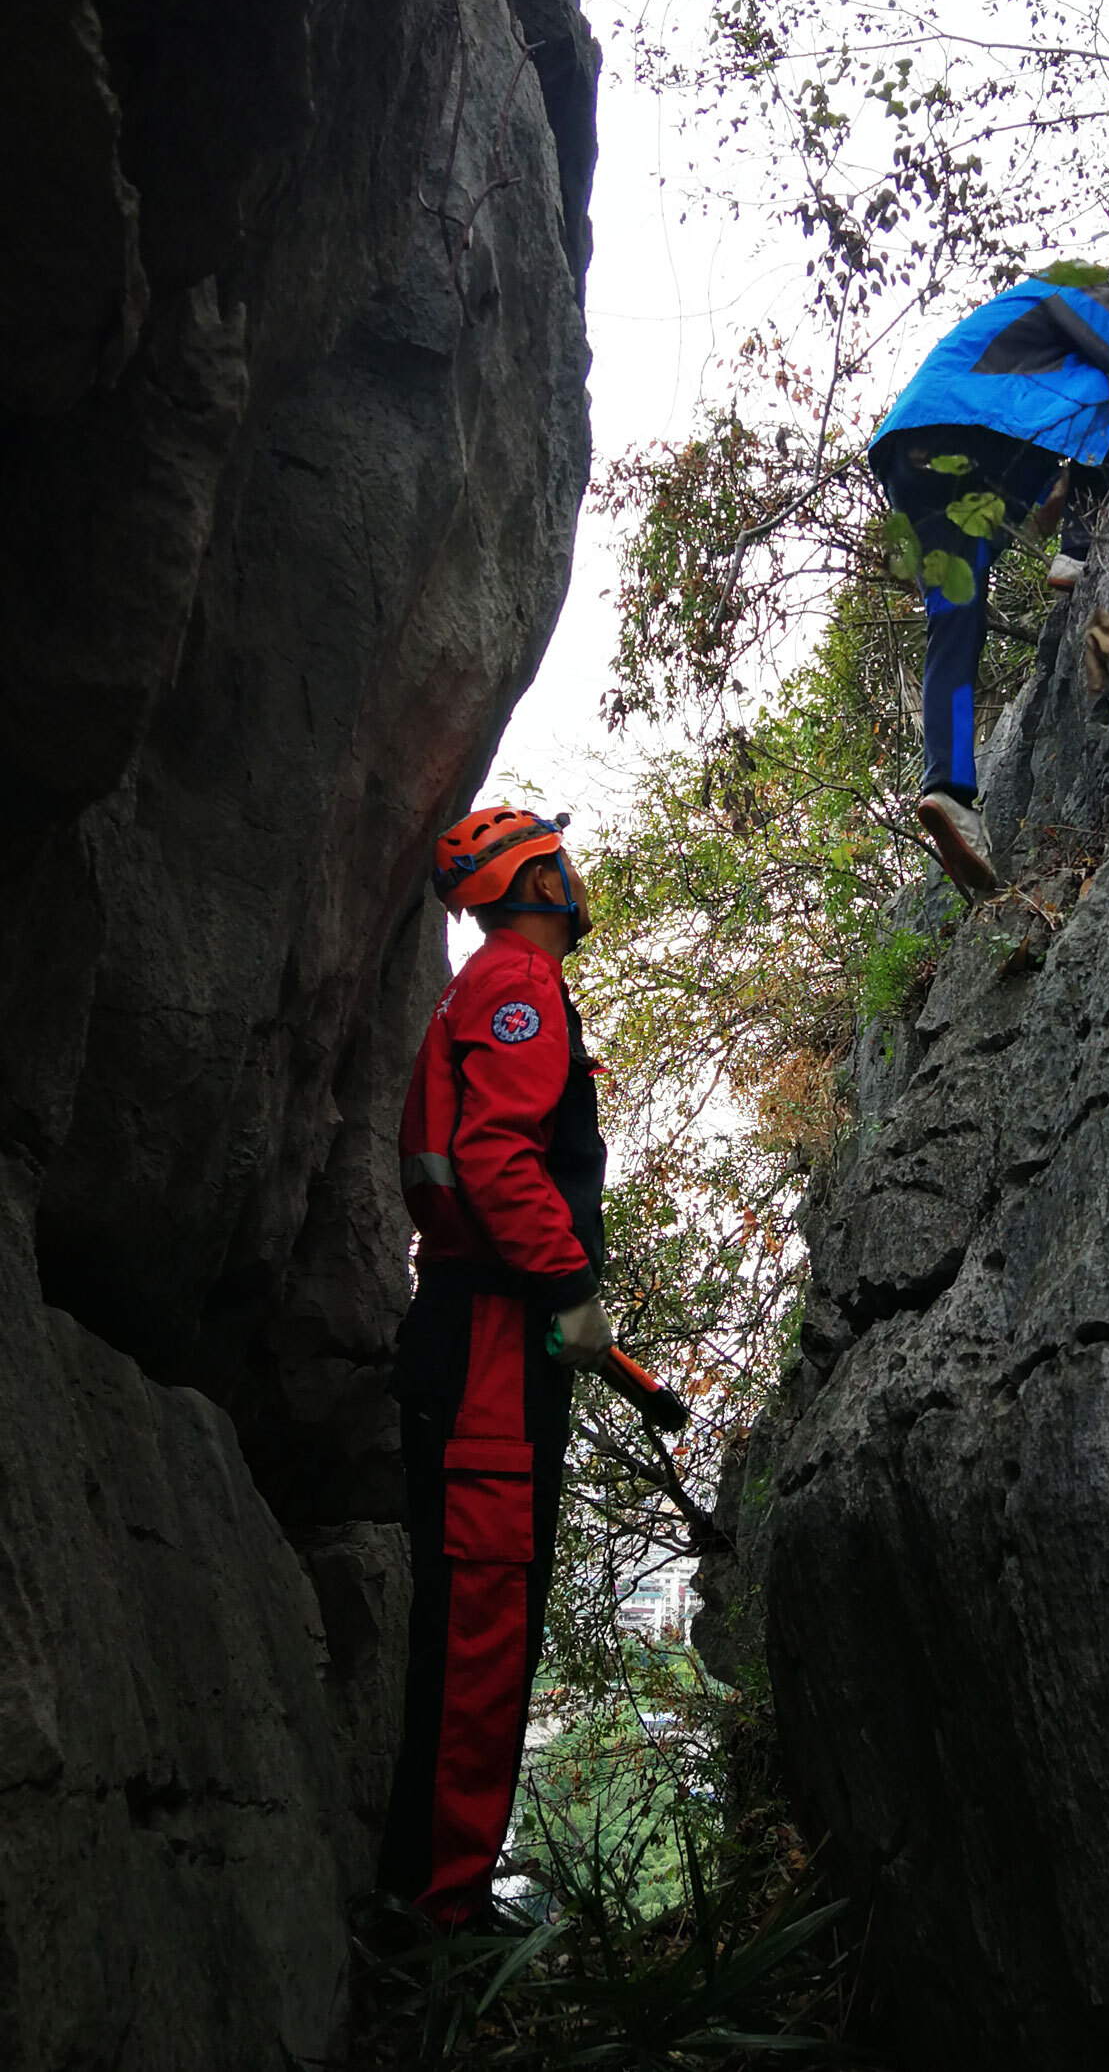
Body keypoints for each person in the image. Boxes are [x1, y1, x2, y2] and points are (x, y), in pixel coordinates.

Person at [377, 805, 613, 1930]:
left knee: (472, 1610)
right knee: (483, 1616)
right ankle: (444, 1906)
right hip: (491, 1341)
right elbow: (493, 1156)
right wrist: (569, 1287)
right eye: (561, 857)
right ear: (539, 875)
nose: (576, 873)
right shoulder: (517, 984)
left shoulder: (484, 987)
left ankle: (431, 1881)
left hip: (473, 1327)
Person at [869, 275, 1109, 899]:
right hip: (962, 426)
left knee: (957, 616)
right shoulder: (1072, 292)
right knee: (1100, 421)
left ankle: (949, 790)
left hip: (907, 458)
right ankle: (1076, 554)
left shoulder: (1026, 352)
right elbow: (1100, 338)